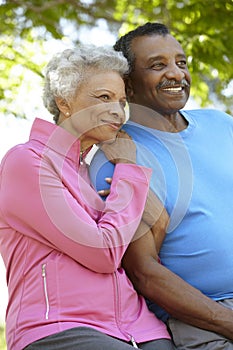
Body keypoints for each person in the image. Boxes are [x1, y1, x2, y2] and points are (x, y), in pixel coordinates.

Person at [0, 46, 175, 350]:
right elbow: (103, 252)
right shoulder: (26, 162)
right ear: (64, 102)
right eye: (103, 97)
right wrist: (128, 169)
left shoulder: (96, 171)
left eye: (122, 102)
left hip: (141, 328)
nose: (118, 112)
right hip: (59, 326)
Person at [90, 22, 233, 349]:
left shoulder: (222, 125)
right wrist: (228, 322)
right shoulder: (118, 157)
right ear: (127, 84)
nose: (175, 74)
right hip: (204, 319)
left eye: (181, 63)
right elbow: (144, 273)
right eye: (158, 65)